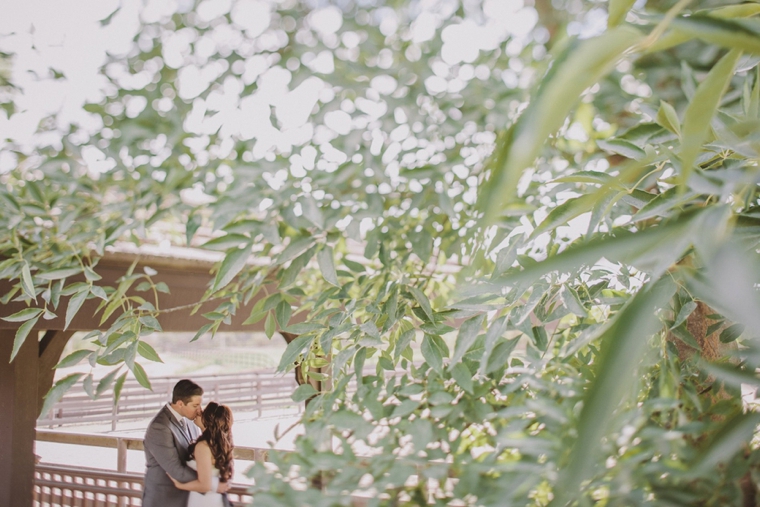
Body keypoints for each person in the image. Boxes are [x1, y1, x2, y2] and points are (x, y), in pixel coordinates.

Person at [143, 379, 230, 507]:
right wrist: (212, 483)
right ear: (180, 404)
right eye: (195, 406)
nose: (200, 410)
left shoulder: (191, 421)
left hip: (188, 497)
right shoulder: (160, 427)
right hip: (165, 499)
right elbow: (176, 470)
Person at [169, 402, 235, 507]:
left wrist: (180, 485)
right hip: (213, 499)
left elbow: (204, 485)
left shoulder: (203, 446)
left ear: (208, 419)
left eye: (203, 412)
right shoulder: (219, 444)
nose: (199, 412)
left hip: (203, 501)